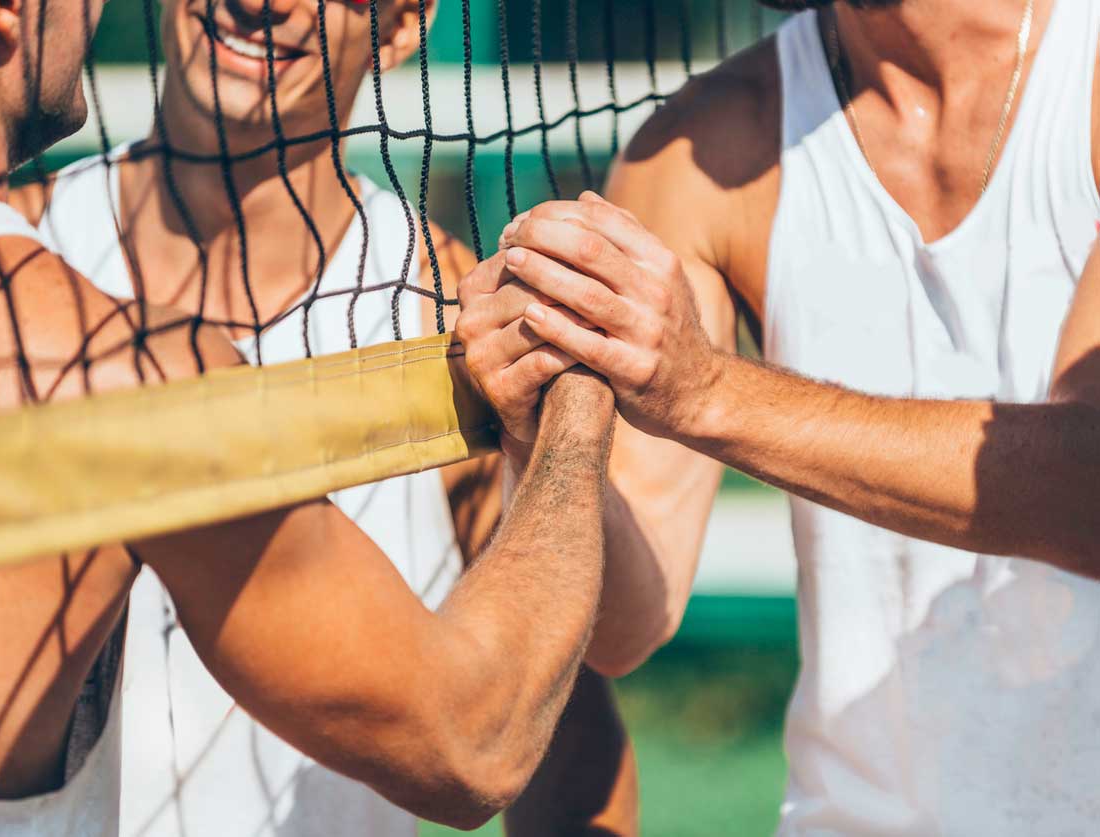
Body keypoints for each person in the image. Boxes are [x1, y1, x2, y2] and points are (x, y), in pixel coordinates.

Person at [0, 0, 622, 834]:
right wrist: (579, 402)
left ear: (403, 27)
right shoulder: (114, 360)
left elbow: (574, 741)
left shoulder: (447, 306)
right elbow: (475, 739)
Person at [459, 0, 1100, 831]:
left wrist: (707, 392)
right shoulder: (699, 148)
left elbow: (1086, 489)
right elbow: (625, 626)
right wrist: (543, 437)